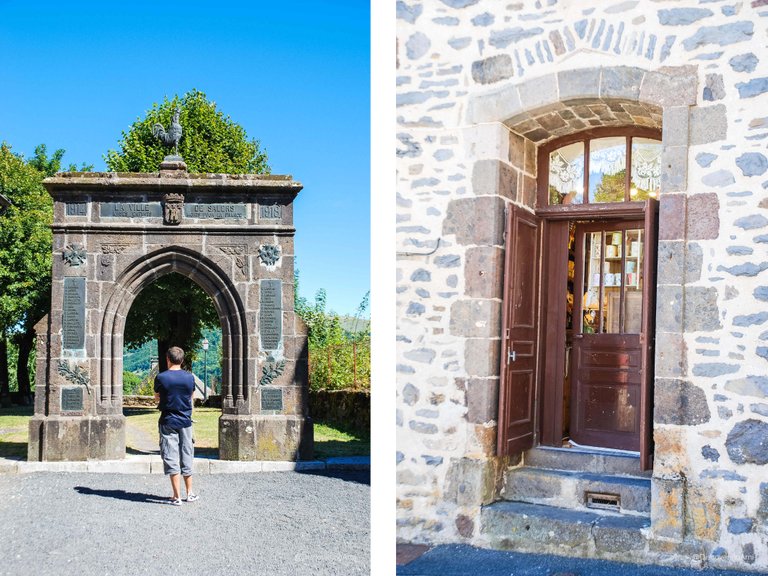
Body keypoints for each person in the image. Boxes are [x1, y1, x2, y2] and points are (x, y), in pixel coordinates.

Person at [154, 346, 198, 506]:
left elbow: (157, 397)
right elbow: (191, 396)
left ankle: (176, 496)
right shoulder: (189, 377)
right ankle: (190, 493)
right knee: (187, 452)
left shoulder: (161, 378)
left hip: (168, 420)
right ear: (182, 359)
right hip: (185, 420)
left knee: (171, 455)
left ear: (168, 359)